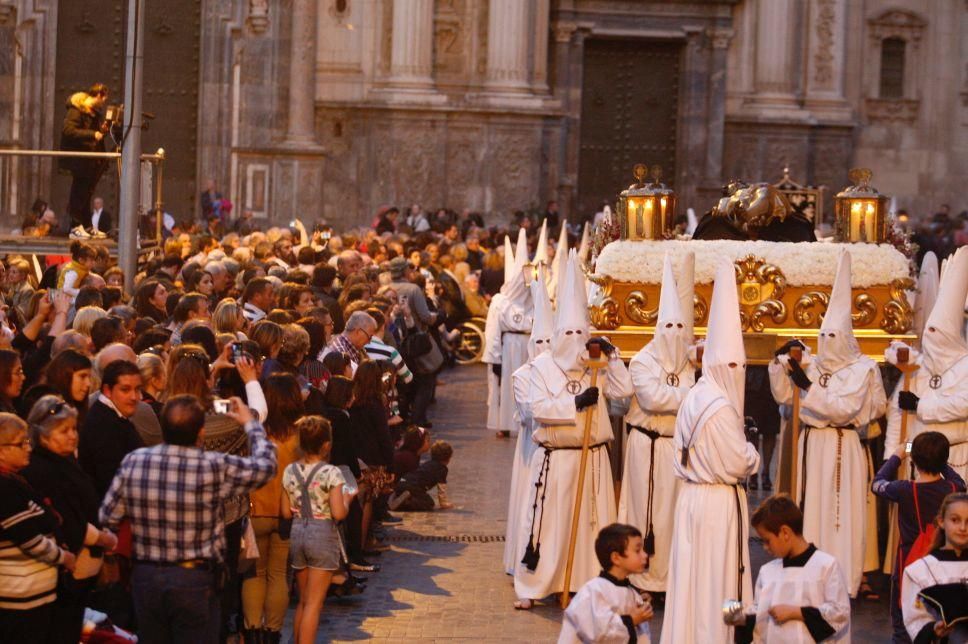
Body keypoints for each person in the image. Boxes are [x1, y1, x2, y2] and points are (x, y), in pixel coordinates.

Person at [98, 394, 275, 644]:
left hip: (147, 576)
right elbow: (266, 466)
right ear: (200, 432)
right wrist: (250, 424)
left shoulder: (134, 462)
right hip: (194, 578)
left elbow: (108, 516)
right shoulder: (211, 465)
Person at [513, 251, 633, 609]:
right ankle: (535, 586)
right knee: (547, 527)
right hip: (555, 461)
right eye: (568, 332)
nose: (574, 338)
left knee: (590, 529)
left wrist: (612, 359)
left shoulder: (593, 365)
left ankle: (586, 584)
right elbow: (536, 408)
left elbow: (624, 392)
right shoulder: (539, 368)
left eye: (581, 332)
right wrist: (576, 404)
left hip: (592, 459)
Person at [768, 251, 887, 597]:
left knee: (842, 514)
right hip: (811, 444)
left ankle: (844, 579)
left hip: (842, 445)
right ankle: (808, 576)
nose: (826, 343)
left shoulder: (862, 369)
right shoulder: (813, 364)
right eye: (823, 336)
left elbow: (844, 410)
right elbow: (782, 396)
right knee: (813, 509)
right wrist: (782, 364)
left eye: (833, 336)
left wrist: (806, 387)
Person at [660, 260, 760, 644]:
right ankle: (714, 636)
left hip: (690, 498)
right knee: (721, 577)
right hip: (718, 503)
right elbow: (739, 462)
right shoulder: (719, 407)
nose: (737, 370)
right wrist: (752, 452)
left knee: (694, 577)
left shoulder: (696, 393)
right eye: (733, 365)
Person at [618, 252, 695, 594]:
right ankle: (642, 578)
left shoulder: (691, 363)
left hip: (677, 448)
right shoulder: (641, 360)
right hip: (646, 447)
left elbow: (691, 397)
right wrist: (685, 398)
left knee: (674, 513)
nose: (674, 333)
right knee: (645, 510)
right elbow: (652, 399)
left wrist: (679, 397)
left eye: (680, 327)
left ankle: (672, 578)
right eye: (668, 326)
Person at [21, 396, 118, 644]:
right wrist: (104, 539)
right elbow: (64, 519)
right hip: (66, 572)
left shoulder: (65, 461)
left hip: (81, 571)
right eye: (64, 431)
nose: (72, 436)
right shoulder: (42, 468)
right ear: (42, 434)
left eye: (74, 429)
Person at [873, 431, 966, 642]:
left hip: (909, 561)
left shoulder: (904, 490)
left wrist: (899, 455)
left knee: (903, 624)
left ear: (914, 459)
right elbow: (958, 480)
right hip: (941, 563)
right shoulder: (953, 487)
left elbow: (877, 483)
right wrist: (938, 461)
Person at [885, 246, 968, 484]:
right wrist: (893, 454)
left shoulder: (965, 366)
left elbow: (962, 405)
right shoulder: (918, 366)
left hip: (957, 454)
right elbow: (897, 411)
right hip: (916, 453)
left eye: (937, 332)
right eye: (928, 332)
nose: (931, 338)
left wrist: (922, 405)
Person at [730, 494, 851, 643]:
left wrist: (797, 612)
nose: (765, 548)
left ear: (785, 533)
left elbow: (840, 613)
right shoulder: (767, 571)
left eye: (767, 541)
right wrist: (727, 611)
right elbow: (756, 613)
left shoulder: (826, 566)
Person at [281, 415, 355, 644]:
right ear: (326, 445)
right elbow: (339, 513)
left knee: (303, 601)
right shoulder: (332, 473)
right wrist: (348, 499)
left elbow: (285, 511)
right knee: (315, 604)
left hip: (297, 532)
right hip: (322, 533)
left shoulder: (290, 470)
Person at [241, 373, 302, 643]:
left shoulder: (254, 431)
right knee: (279, 574)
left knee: (255, 573)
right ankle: (273, 631)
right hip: (286, 511)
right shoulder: (299, 434)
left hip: (254, 512)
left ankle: (252, 629)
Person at [503, 274, 553, 574]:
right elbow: (528, 412)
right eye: (540, 341)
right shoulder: (522, 374)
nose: (545, 347)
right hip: (529, 446)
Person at [557, 523, 652, 644]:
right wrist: (631, 620)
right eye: (638, 550)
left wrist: (643, 614)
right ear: (616, 558)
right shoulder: (593, 591)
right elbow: (599, 633)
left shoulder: (633, 594)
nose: (645, 555)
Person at [901, 492, 968, 643]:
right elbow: (914, 620)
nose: (963, 527)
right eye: (955, 520)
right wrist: (933, 630)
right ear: (941, 521)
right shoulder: (920, 571)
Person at [78, 359, 145, 500]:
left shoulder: (113, 415)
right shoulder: (102, 424)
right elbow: (111, 482)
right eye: (125, 390)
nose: (134, 397)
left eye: (137, 389)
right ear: (107, 390)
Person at [495, 229, 533, 438]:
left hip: (526, 341)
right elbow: (495, 329)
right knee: (509, 382)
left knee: (526, 382)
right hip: (510, 343)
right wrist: (494, 355)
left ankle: (525, 419)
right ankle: (506, 422)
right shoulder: (503, 302)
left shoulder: (533, 299)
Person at [59, 84, 109, 237]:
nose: (104, 102)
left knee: (87, 193)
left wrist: (101, 132)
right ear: (99, 94)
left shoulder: (93, 114)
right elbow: (68, 131)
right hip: (79, 159)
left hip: (90, 159)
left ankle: (86, 226)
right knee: (78, 192)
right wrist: (92, 134)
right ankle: (75, 226)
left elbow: (94, 135)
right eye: (104, 98)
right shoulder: (76, 110)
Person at [388, 440, 454, 512]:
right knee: (429, 503)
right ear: (448, 458)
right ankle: (406, 503)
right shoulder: (442, 469)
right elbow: (441, 489)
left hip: (403, 481)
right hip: (413, 486)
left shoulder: (429, 463)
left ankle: (398, 497)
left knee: (422, 496)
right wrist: (443, 503)